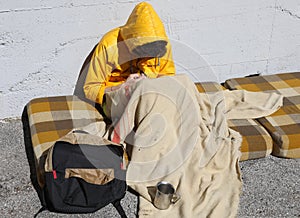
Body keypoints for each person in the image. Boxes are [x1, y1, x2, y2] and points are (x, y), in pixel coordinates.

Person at [83, 2, 175, 114]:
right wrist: (123, 87)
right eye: (142, 53)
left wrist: (151, 84)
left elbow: (168, 77)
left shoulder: (161, 46)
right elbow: (90, 89)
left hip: (149, 96)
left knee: (184, 84)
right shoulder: (109, 45)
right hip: (115, 99)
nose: (145, 58)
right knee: (145, 110)